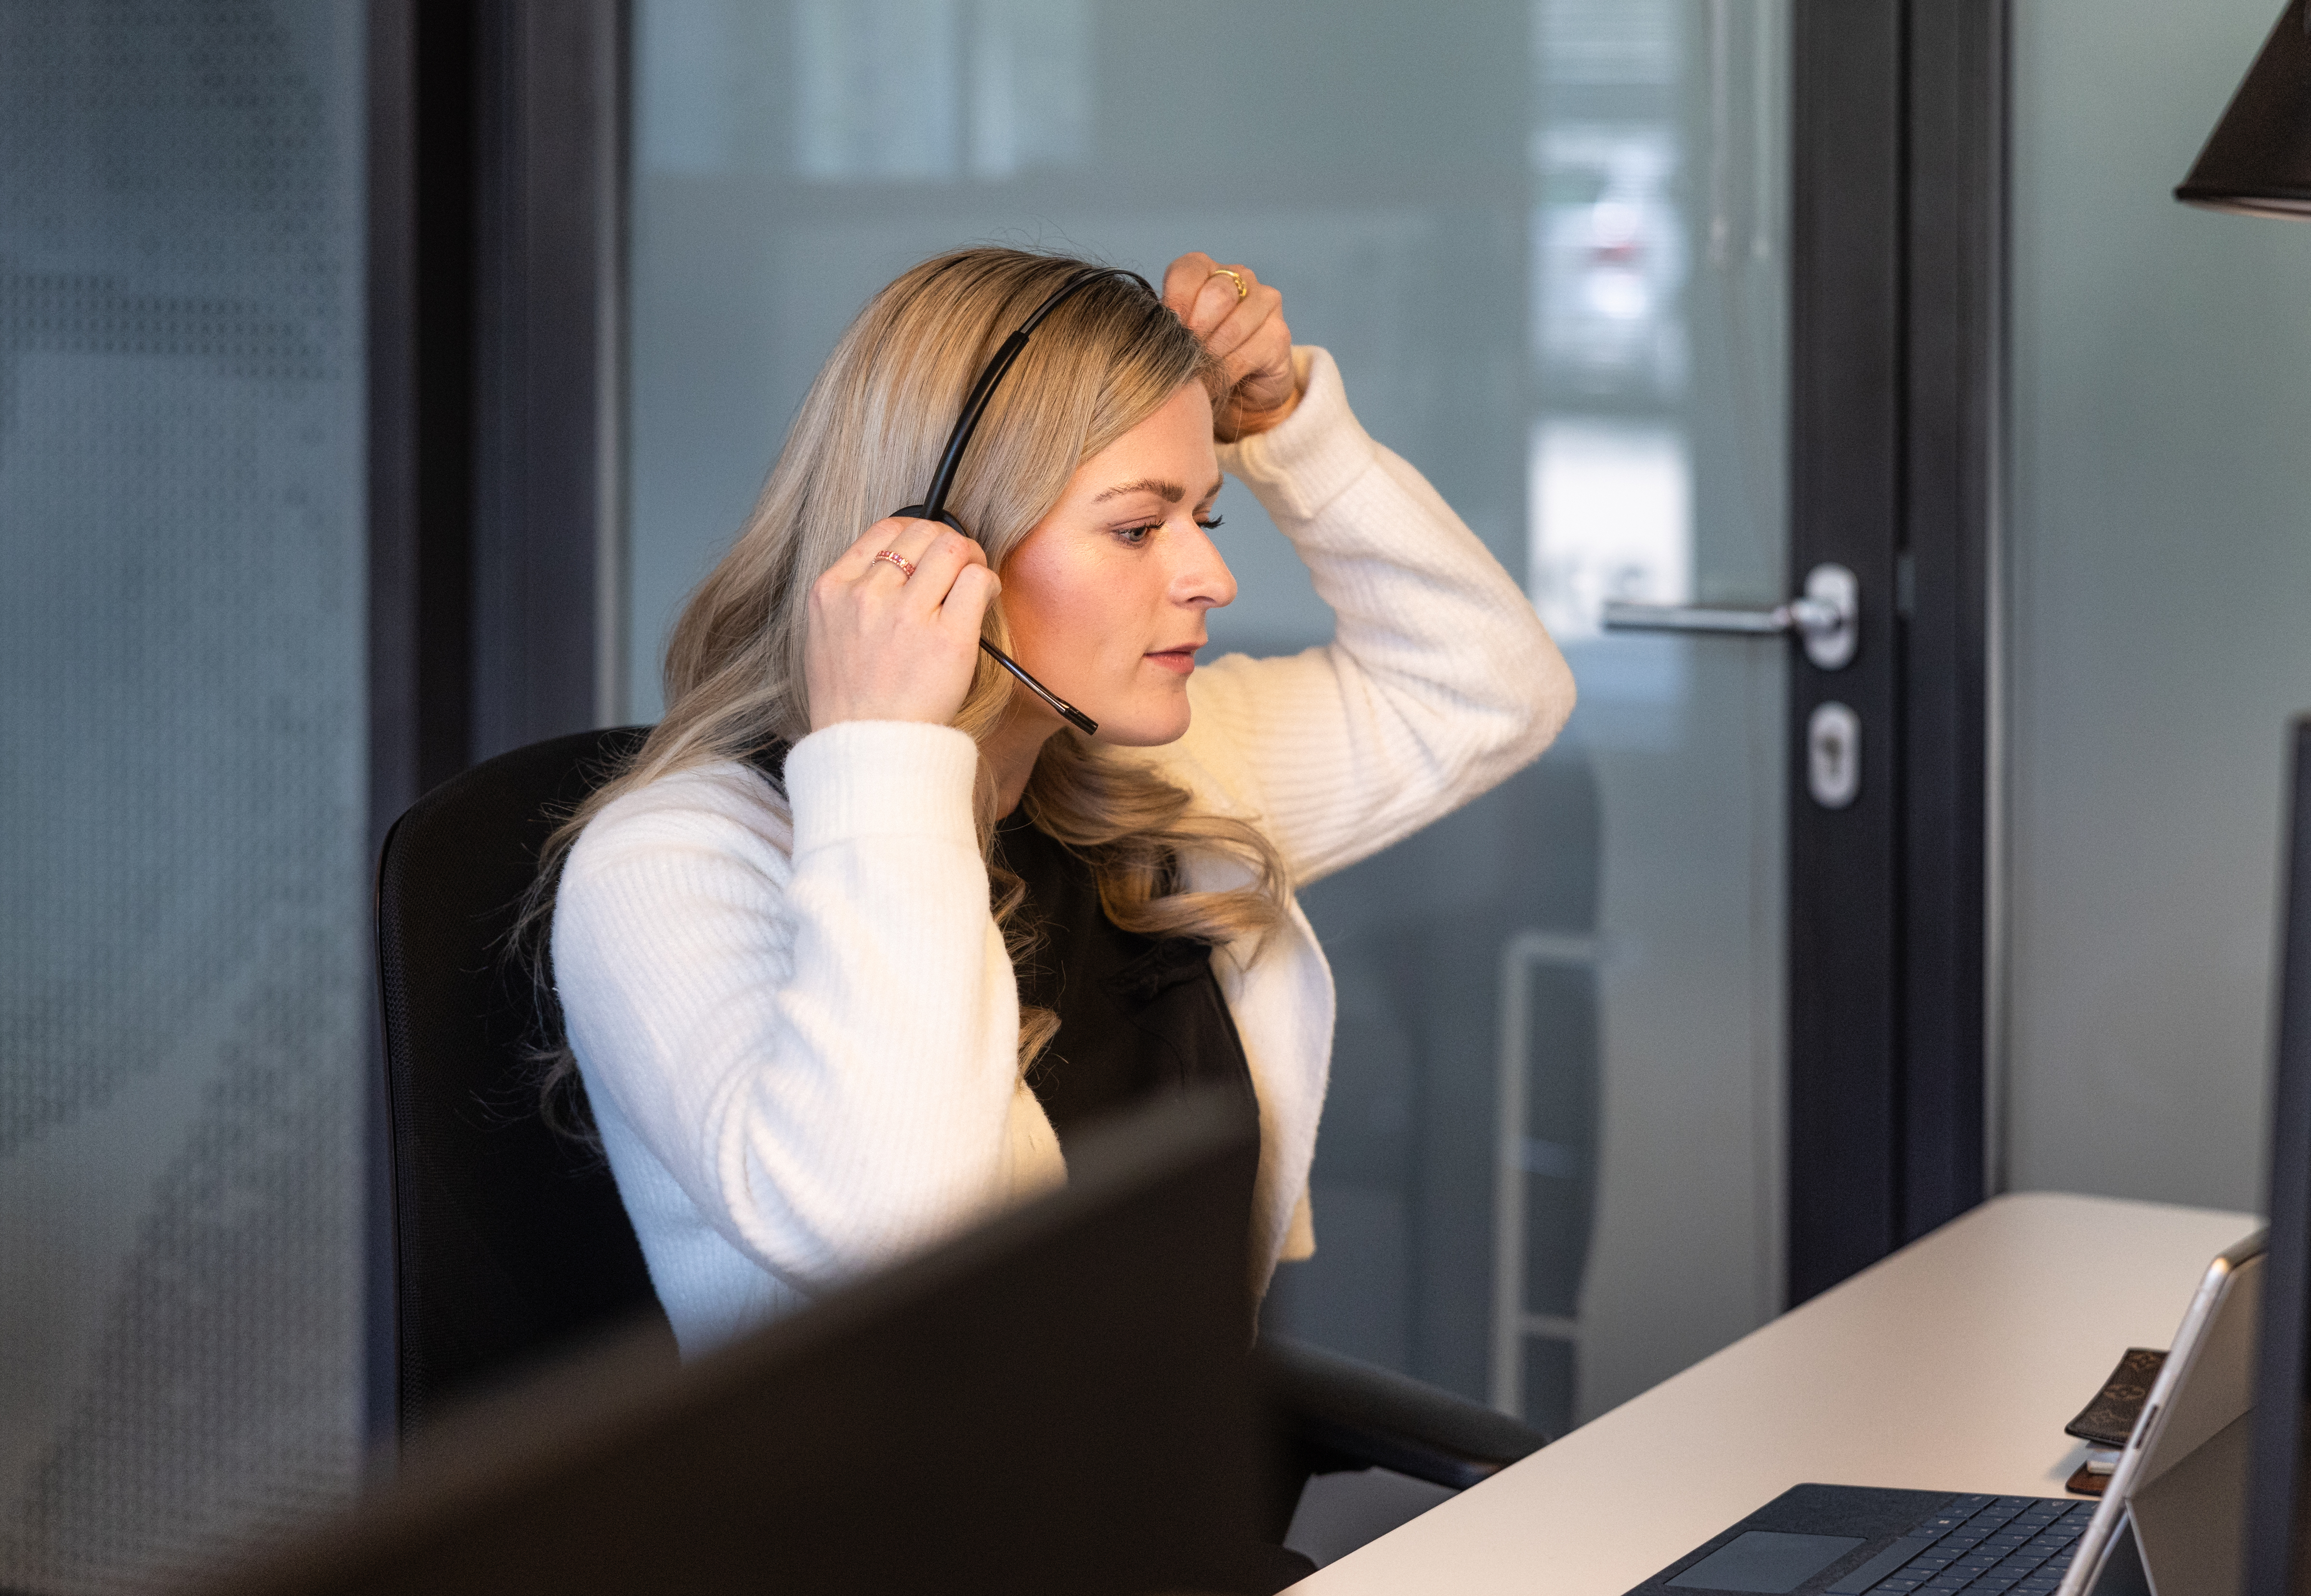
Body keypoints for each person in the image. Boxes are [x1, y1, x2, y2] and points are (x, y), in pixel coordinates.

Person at [533, 246, 1575, 1363]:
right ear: (938, 544)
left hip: (1169, 1508)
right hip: (898, 1536)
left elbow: (1488, 688)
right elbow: (899, 1237)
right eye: (1137, 528)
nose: (1211, 580)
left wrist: (1286, 432)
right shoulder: (671, 866)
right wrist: (885, 751)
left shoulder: (1145, 779)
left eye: (1204, 518)